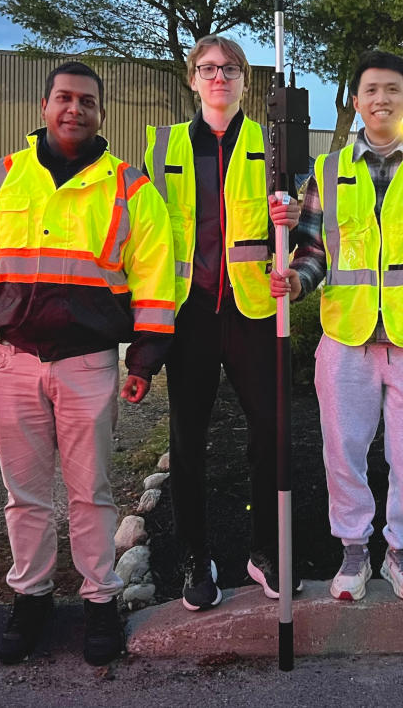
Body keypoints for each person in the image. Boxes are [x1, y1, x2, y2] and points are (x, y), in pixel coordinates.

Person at [0, 61, 176, 667]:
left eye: (87, 101)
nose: (74, 110)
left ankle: (98, 603)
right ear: (43, 108)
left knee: (91, 493)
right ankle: (30, 598)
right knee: (25, 495)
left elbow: (156, 282)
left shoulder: (131, 189)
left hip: (89, 365)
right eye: (64, 98)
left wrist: (143, 360)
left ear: (101, 114)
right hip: (15, 363)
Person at [272, 49, 403, 602]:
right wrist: (295, 280)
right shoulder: (330, 170)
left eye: (392, 89)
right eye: (370, 91)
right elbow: (315, 250)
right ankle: (354, 550)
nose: (381, 99)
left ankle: (401, 552)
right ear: (356, 101)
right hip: (347, 338)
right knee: (343, 450)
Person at [144, 35, 301, 611]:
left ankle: (264, 549)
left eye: (230, 69)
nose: (219, 78)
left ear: (244, 80)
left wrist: (295, 210)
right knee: (188, 441)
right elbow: (147, 229)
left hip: (253, 308)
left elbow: (296, 219)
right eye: (208, 69)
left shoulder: (272, 144)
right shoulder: (163, 147)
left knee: (271, 431)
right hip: (189, 312)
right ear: (192, 79)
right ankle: (195, 555)